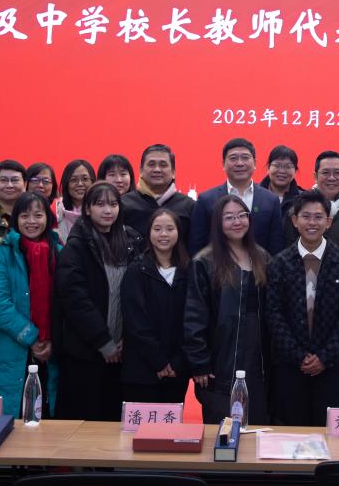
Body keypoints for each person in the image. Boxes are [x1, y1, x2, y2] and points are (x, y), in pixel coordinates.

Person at [266, 190, 339, 426]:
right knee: (291, 430)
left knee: (329, 431)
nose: (312, 222)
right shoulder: (279, 263)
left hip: (331, 367)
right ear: (294, 220)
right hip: (290, 366)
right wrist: (299, 356)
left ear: (328, 222)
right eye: (306, 216)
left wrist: (323, 358)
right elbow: (273, 315)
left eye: (318, 217)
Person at [54, 182, 141, 421]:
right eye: (100, 204)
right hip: (86, 351)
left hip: (123, 352)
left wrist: (128, 338)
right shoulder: (76, 246)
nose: (108, 210)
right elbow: (75, 300)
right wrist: (103, 341)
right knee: (84, 422)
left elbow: (138, 297)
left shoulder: (132, 241)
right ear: (87, 209)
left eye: (113, 204)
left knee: (115, 424)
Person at [184, 195, 271, 425]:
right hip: (221, 356)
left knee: (257, 423)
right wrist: (199, 362)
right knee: (221, 426)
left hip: (256, 355)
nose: (237, 222)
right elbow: (194, 316)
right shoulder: (204, 261)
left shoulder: (262, 257)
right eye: (229, 217)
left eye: (242, 216)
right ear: (217, 223)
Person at [0, 192, 61, 418]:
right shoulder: (0, 254)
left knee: (48, 416)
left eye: (38, 215)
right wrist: (33, 338)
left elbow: (66, 304)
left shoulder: (60, 253)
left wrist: (53, 339)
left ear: (48, 218)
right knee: (11, 419)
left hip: (52, 350)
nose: (32, 221)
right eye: (25, 216)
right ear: (15, 219)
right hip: (10, 347)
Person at [120, 208, 191, 404]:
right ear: (149, 233)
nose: (164, 234)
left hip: (176, 370)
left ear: (179, 232)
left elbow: (192, 318)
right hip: (141, 369)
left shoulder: (188, 270)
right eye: (157, 229)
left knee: (170, 421)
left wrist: (177, 361)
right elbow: (135, 320)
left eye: (170, 229)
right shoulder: (136, 269)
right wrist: (158, 361)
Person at [189, 138, 284, 255]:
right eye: (233, 158)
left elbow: (276, 246)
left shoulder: (271, 200)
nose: (239, 163)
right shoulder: (206, 200)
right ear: (223, 164)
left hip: (260, 265)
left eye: (245, 158)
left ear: (255, 163)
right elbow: (197, 246)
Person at [287, 151, 339, 254]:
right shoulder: (297, 209)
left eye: (337, 173)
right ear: (315, 176)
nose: (331, 178)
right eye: (325, 173)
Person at [121, 144, 195, 244]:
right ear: (141, 171)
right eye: (151, 164)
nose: (157, 169)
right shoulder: (124, 204)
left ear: (173, 172)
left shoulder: (189, 206)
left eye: (163, 165)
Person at [57, 159, 95, 242]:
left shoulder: (101, 211)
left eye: (85, 179)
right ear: (66, 183)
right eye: (74, 180)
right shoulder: (55, 212)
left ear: (93, 182)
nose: (80, 184)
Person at [259, 145, 303, 212]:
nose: (282, 171)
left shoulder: (303, 199)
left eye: (288, 167)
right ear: (268, 168)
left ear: (295, 171)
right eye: (277, 165)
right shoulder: (255, 194)